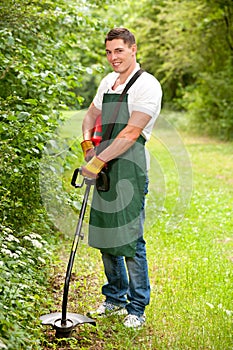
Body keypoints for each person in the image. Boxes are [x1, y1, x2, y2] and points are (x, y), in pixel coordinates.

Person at [80, 28, 162, 328]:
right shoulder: (107, 82)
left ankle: (137, 308)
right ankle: (115, 298)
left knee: (129, 239)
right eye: (109, 52)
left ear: (133, 49)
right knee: (105, 235)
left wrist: (99, 160)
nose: (113, 57)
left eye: (119, 51)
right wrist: (88, 147)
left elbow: (130, 132)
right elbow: (90, 116)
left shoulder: (147, 85)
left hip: (129, 167)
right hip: (104, 166)